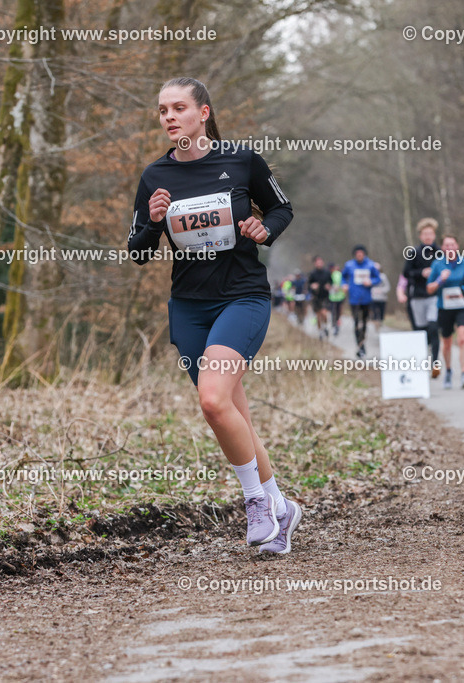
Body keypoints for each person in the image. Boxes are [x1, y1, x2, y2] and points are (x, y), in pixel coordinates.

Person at [128, 77, 300, 551]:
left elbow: (282, 209)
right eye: (162, 109)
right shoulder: (154, 177)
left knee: (211, 400)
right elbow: (138, 250)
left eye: (178, 107)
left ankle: (255, 504)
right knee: (229, 414)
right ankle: (282, 509)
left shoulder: (242, 160)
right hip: (189, 308)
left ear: (203, 113)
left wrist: (264, 230)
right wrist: (153, 221)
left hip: (242, 298)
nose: (168, 117)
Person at [427, 235, 464, 389]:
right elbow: (429, 288)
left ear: (457, 246)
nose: (450, 248)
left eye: (452, 245)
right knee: (446, 343)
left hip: (462, 307)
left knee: (462, 338)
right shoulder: (437, 264)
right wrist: (440, 280)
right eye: (446, 245)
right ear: (442, 248)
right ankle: (448, 371)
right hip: (444, 308)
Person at [403, 218, 441, 378]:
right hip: (417, 297)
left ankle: (435, 364)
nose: (428, 236)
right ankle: (420, 362)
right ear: (420, 236)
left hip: (434, 297)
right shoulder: (414, 252)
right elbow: (406, 273)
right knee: (420, 332)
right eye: (425, 234)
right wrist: (421, 273)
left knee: (433, 328)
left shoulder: (440, 253)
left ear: (434, 235)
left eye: (430, 233)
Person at [341, 245, 381, 358]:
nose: (359, 255)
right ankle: (360, 346)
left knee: (364, 323)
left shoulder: (370, 265)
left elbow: (378, 278)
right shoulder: (349, 265)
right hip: (354, 299)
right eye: (357, 253)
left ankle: (362, 343)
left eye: (361, 253)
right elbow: (342, 277)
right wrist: (344, 284)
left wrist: (371, 281)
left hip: (366, 299)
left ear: (364, 254)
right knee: (357, 323)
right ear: (354, 255)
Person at [307, 256, 332, 339]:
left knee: (324, 313)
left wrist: (329, 286)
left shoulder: (327, 273)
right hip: (316, 297)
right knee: (318, 316)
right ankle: (320, 331)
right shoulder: (312, 274)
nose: (319, 264)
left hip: (325, 296)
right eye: (317, 262)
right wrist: (312, 286)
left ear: (323, 263)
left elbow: (331, 282)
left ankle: (325, 327)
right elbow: (308, 285)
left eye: (320, 262)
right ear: (315, 263)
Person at [328, 263, 345, 335]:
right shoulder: (329, 275)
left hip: (339, 296)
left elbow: (344, 283)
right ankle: (335, 323)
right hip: (332, 297)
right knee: (334, 311)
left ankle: (336, 324)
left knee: (336, 311)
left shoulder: (338, 274)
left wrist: (339, 287)